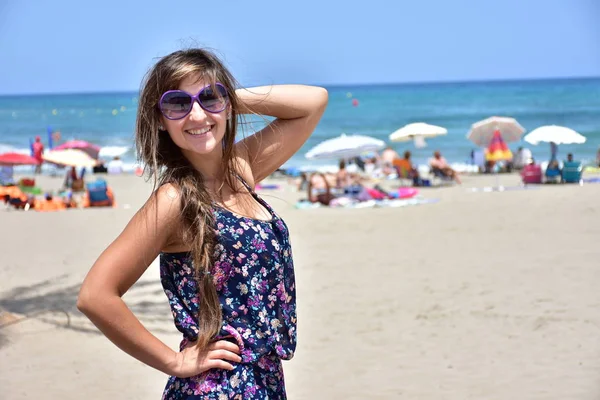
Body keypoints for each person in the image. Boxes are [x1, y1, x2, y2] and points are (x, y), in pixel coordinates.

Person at [77, 48, 328, 399]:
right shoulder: (173, 199)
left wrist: (224, 98)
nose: (196, 114)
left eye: (208, 97)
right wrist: (174, 362)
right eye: (178, 103)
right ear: (160, 119)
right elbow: (95, 295)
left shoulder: (240, 169)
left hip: (266, 382)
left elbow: (314, 102)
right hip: (216, 387)